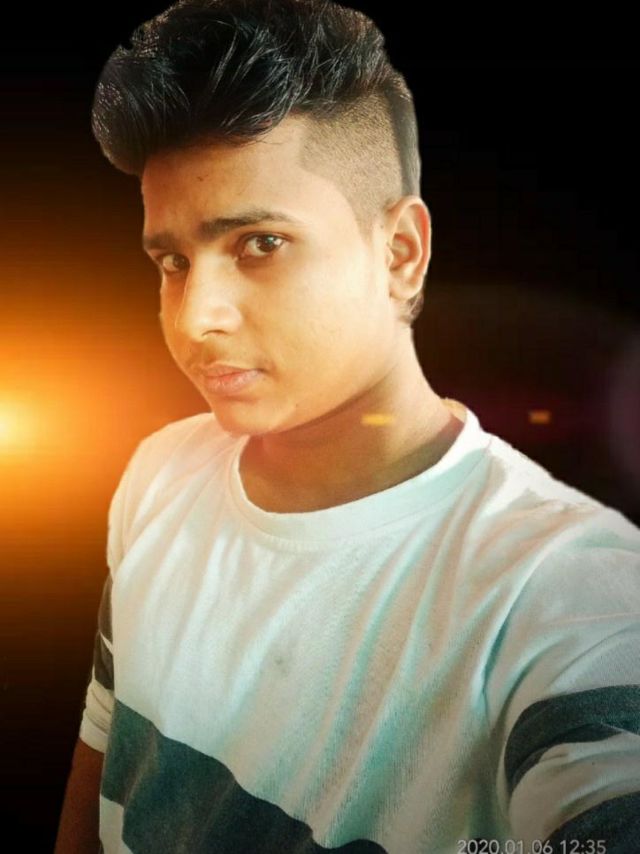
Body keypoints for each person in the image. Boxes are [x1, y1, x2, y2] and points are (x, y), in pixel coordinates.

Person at [55, 1, 640, 851]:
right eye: (173, 261)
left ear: (400, 252)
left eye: (260, 243)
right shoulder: (161, 471)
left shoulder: (567, 591)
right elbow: (106, 747)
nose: (195, 317)